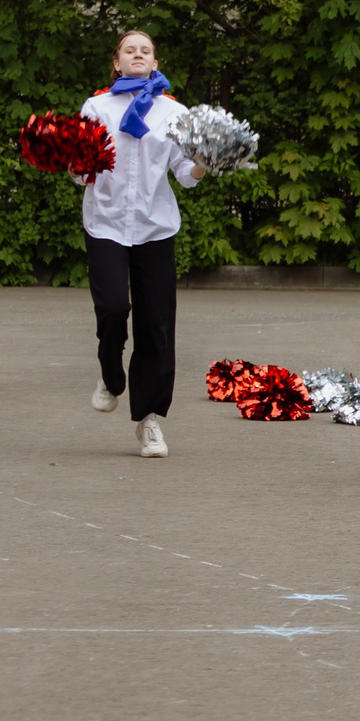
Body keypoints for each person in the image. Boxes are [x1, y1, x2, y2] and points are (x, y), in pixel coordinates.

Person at [73, 30, 208, 459]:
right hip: (107, 224)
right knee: (113, 308)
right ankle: (111, 376)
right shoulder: (96, 107)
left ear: (155, 61)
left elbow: (185, 171)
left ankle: (149, 421)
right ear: (116, 62)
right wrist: (79, 164)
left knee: (156, 326)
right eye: (129, 50)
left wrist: (208, 160)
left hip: (155, 227)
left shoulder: (173, 111)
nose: (137, 55)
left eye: (144, 50)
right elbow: (80, 171)